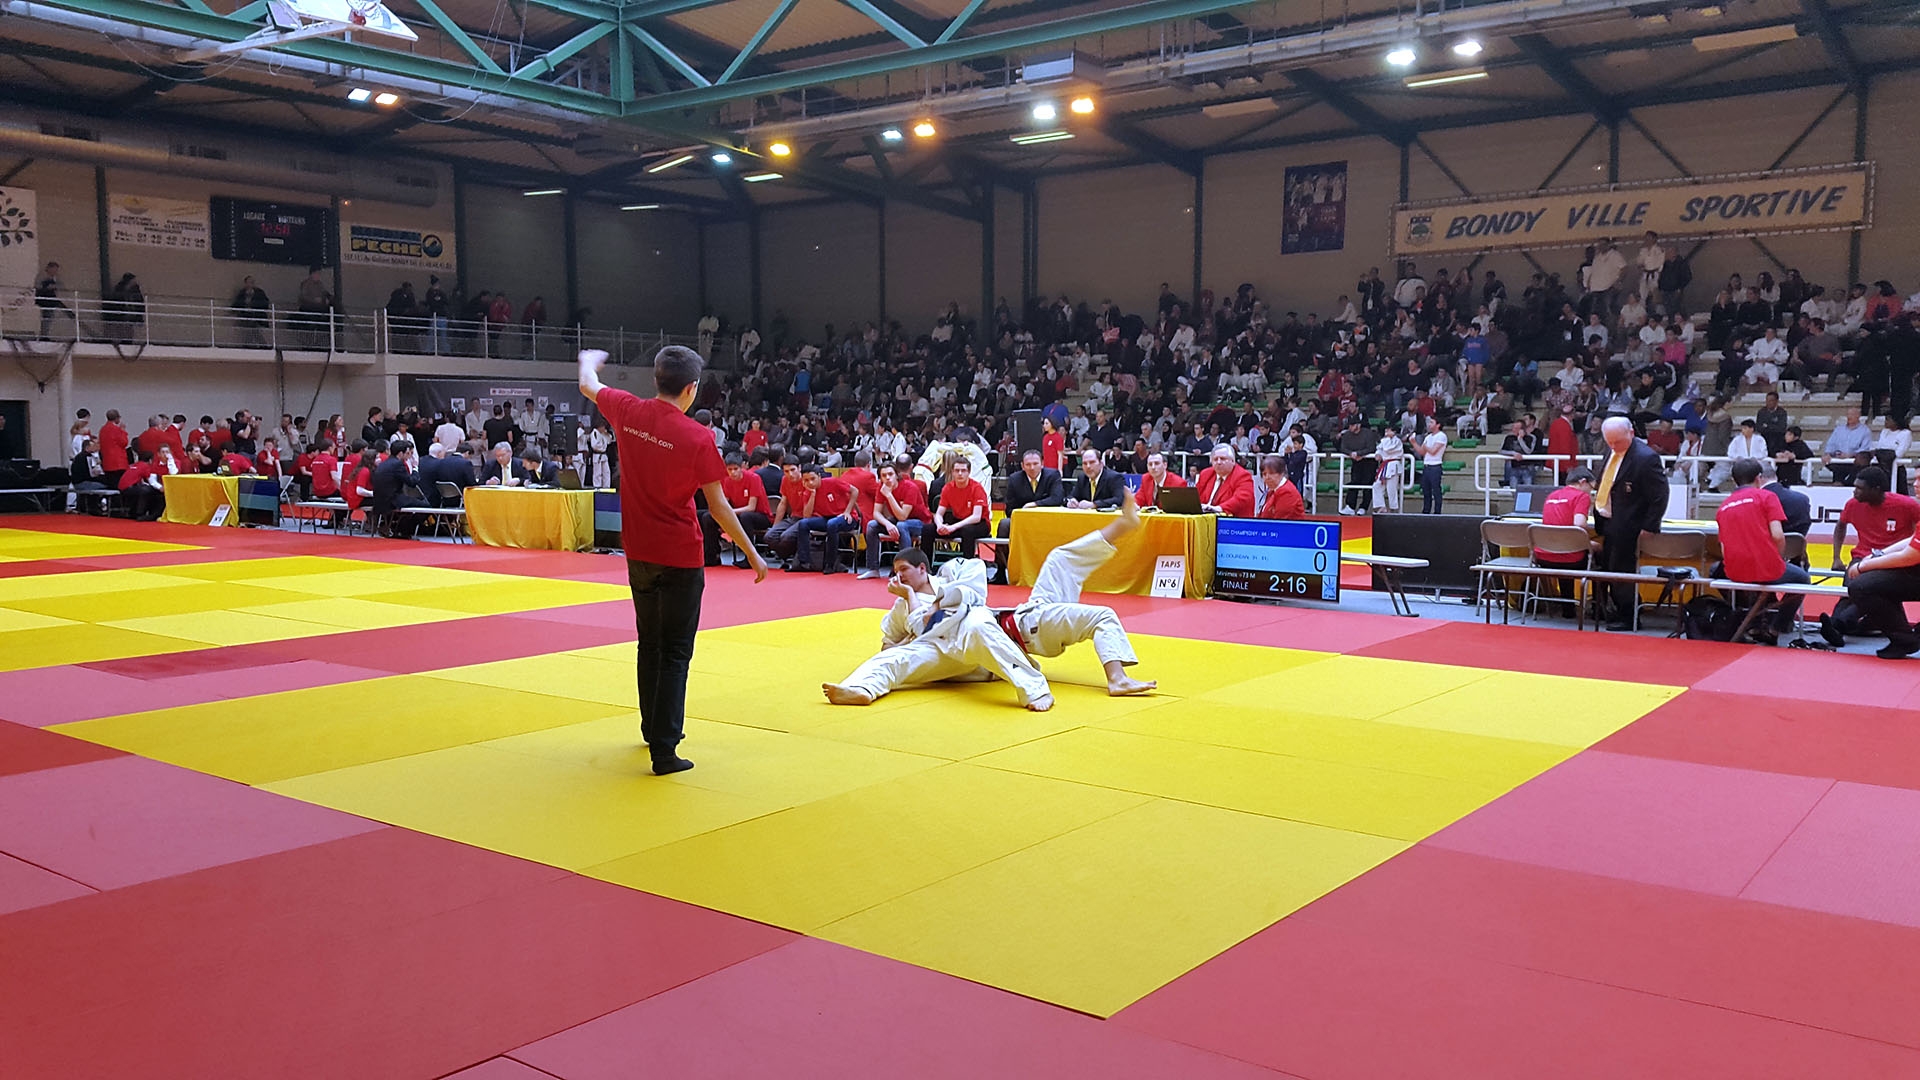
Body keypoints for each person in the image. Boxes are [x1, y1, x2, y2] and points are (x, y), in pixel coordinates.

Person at [579, 346, 766, 776]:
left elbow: (588, 384)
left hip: (638, 550)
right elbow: (718, 507)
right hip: (679, 554)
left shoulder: (628, 410)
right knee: (676, 651)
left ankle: (652, 729)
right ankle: (665, 749)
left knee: (650, 642)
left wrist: (589, 358)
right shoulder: (698, 437)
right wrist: (752, 553)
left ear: (656, 379)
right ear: (691, 389)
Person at [822, 549, 1053, 711]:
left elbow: (975, 586)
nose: (898, 576)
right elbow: (887, 646)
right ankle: (861, 688)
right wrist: (906, 638)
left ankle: (1035, 689)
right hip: (939, 650)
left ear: (922, 569)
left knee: (980, 626)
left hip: (968, 633)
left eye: (904, 569)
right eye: (895, 571)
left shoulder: (949, 580)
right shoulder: (901, 605)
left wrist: (936, 604)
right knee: (893, 659)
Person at [1715, 458, 1810, 643]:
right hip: (1766, 568)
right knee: (1803, 579)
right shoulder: (1767, 497)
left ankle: (1751, 620)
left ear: (1734, 480)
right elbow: (1778, 536)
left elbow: (1724, 548)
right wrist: (1777, 559)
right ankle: (1776, 628)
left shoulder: (1723, 506)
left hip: (1735, 571)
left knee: (1714, 571)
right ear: (1759, 478)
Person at [1822, 466, 1920, 646]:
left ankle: (1839, 624)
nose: (1854, 491)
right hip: (1863, 556)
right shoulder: (1852, 504)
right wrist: (1836, 557)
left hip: (1893, 559)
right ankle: (1842, 624)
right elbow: (1840, 526)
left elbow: (1916, 533)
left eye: (1860, 488)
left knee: (1862, 589)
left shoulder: (1906, 505)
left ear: (1876, 489)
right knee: (1851, 589)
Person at [1593, 415, 1670, 630]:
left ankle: (1629, 617)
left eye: (1617, 441)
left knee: (1622, 571)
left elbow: (1660, 494)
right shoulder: (1611, 450)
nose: (1613, 446)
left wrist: (1650, 524)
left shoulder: (1646, 458)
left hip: (1629, 523)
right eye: (1609, 441)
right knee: (1610, 569)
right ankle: (1618, 609)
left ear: (1631, 433)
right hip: (1608, 519)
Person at [700, 453, 771, 568]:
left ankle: (750, 558)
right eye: (730, 469)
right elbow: (724, 502)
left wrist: (729, 513)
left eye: (736, 469)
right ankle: (712, 556)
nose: (733, 472)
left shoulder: (754, 478)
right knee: (708, 517)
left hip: (760, 516)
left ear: (742, 467)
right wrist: (721, 515)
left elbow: (751, 507)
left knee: (746, 517)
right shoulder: (727, 481)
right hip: (739, 513)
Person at [861, 461, 930, 579]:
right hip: (898, 521)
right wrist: (888, 524)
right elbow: (876, 513)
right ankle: (873, 569)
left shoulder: (910, 487)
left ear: (897, 475)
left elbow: (903, 516)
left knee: (901, 525)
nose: (887, 478)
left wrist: (889, 495)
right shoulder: (882, 488)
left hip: (920, 522)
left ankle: (904, 570)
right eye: (884, 475)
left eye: (890, 474)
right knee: (872, 525)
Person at [933, 456, 992, 557]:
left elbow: (976, 517)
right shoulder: (948, 488)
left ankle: (967, 563)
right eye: (957, 470)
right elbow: (939, 513)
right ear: (952, 472)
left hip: (979, 524)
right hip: (959, 521)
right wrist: (940, 525)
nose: (960, 473)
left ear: (969, 472)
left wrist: (953, 527)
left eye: (963, 470)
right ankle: (926, 564)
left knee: (967, 531)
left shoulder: (977, 488)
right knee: (928, 529)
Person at [1000, 449, 1064, 538]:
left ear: (1042, 463)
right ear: (1022, 466)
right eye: (1028, 464)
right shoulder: (1014, 479)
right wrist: (1023, 514)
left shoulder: (1053, 475)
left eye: (1035, 464)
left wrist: (1034, 504)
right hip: (1023, 519)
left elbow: (1057, 498)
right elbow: (1009, 508)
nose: (1032, 468)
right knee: (1004, 523)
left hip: (1047, 518)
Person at [1195, 445, 1255, 516]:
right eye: (1215, 459)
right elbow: (1195, 498)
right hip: (1204, 518)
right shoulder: (1205, 474)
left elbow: (1241, 499)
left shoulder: (1242, 476)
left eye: (1223, 459)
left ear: (1233, 461)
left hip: (1231, 519)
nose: (1219, 462)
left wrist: (1218, 508)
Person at [1254, 454, 1305, 519]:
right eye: (1264, 474)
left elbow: (1279, 521)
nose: (1267, 477)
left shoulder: (1287, 492)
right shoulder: (1273, 490)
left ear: (1281, 473)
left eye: (1271, 473)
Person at [1418, 417, 1448, 514]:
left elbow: (1433, 451)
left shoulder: (1441, 436)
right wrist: (1414, 443)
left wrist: (1425, 446)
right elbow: (1422, 452)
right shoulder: (1428, 437)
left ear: (1438, 425)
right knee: (1426, 491)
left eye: (1432, 422)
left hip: (1435, 465)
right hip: (1426, 465)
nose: (1429, 424)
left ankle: (1437, 512)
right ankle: (1426, 511)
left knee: (1436, 490)